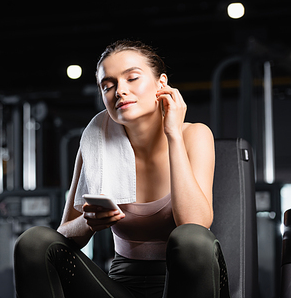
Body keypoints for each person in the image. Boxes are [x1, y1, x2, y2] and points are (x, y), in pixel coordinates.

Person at [14, 40, 230, 298]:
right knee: (34, 242)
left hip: (187, 280)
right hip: (122, 284)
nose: (120, 91)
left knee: (191, 238)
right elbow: (65, 234)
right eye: (108, 85)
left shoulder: (194, 134)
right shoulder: (95, 143)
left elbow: (195, 223)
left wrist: (173, 134)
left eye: (132, 78)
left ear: (161, 84)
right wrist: (89, 222)